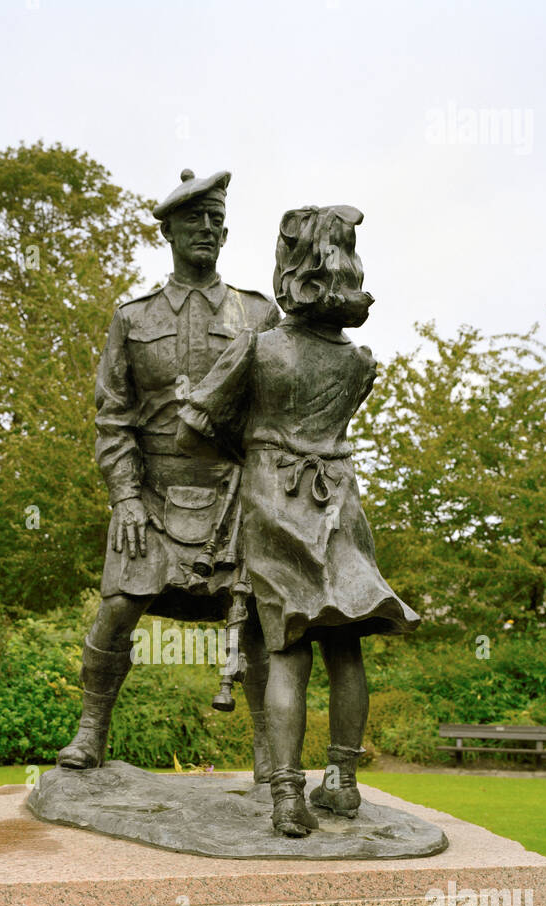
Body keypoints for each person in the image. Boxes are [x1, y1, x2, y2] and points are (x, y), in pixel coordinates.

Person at [177, 205, 420, 836]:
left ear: (291, 270)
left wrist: (252, 447)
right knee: (345, 646)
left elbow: (196, 422)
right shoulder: (360, 362)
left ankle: (288, 794)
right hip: (341, 505)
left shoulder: (258, 351)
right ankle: (342, 782)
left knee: (286, 651)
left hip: (275, 503)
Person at [57, 169, 280, 777]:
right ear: (169, 232)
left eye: (215, 220)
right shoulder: (131, 317)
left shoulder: (259, 314)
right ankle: (91, 730)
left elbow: (277, 406)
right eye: (193, 220)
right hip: (150, 498)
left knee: (259, 625)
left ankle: (270, 758)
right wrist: (125, 496)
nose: (206, 229)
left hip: (235, 498)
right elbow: (113, 418)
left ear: (227, 232)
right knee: (117, 611)